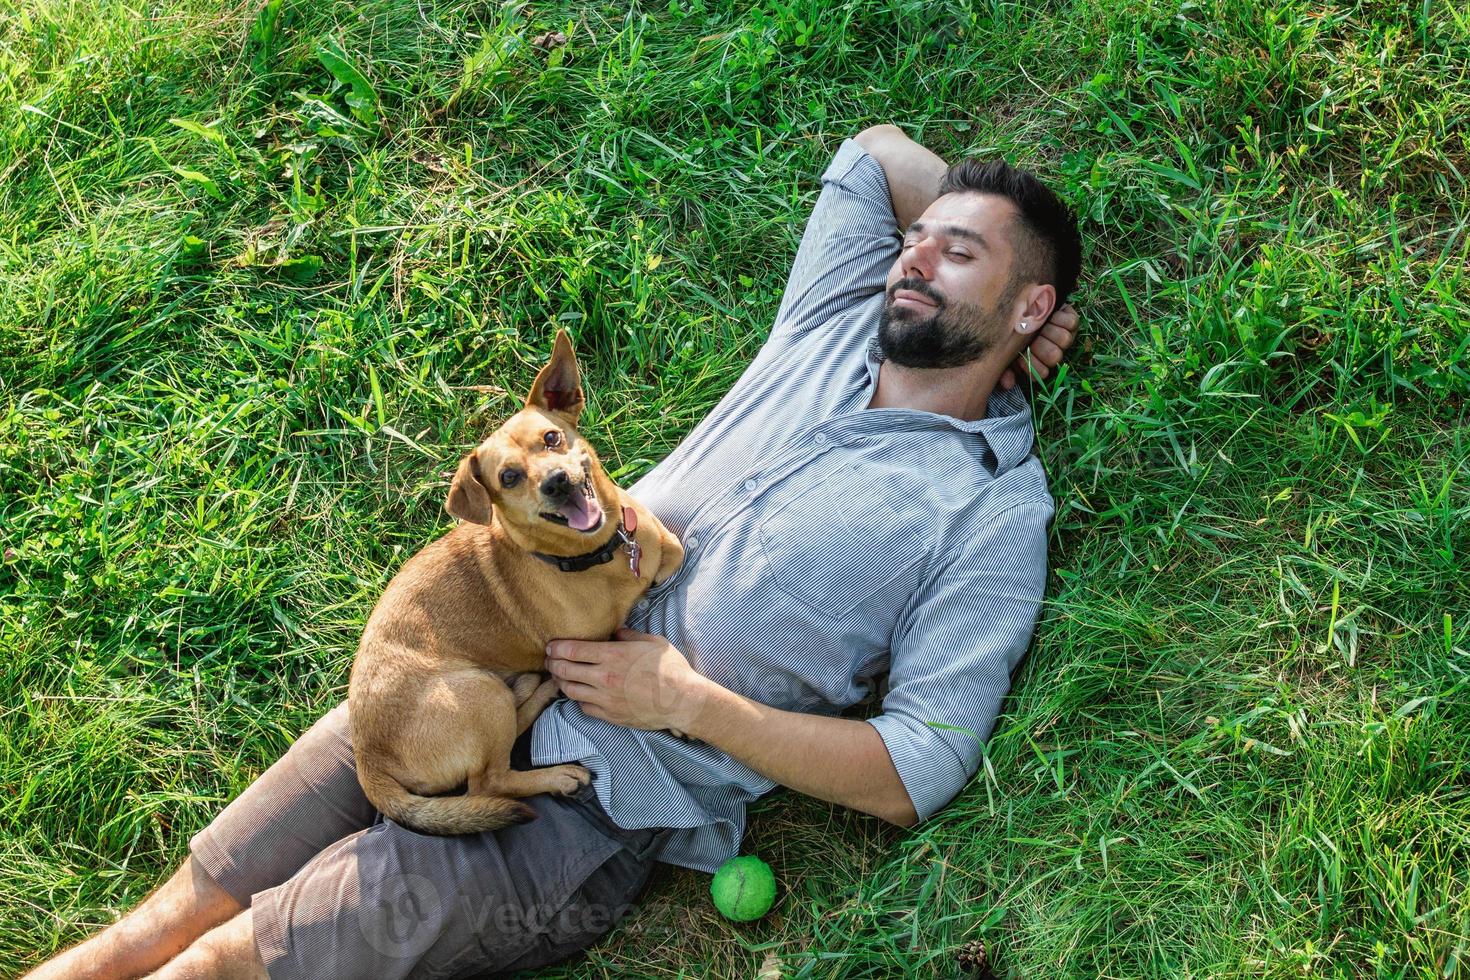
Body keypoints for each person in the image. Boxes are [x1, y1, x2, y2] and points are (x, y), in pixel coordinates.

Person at [24, 123, 1080, 980]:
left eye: (958, 253)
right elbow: (877, 153)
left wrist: (687, 701)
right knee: (160, 918)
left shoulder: (986, 513)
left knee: (223, 963)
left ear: (1031, 302)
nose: (915, 252)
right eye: (919, 237)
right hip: (453, 676)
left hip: (587, 810)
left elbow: (917, 770)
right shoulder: (837, 315)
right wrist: (984, 266)